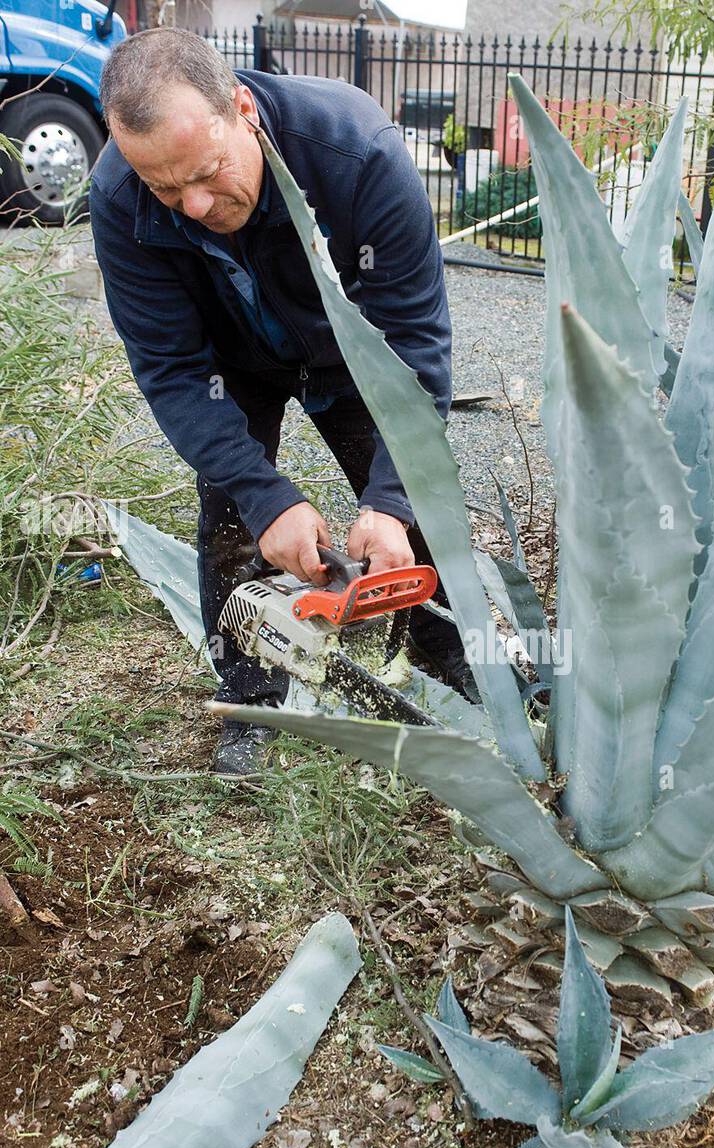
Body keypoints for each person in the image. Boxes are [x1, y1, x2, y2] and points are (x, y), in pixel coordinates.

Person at [90, 27, 473, 773]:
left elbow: (416, 347)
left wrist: (391, 500)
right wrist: (268, 499)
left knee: (414, 503)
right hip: (231, 361)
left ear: (243, 109)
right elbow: (171, 369)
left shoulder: (355, 152)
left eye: (206, 173)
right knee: (233, 511)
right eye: (166, 190)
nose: (194, 205)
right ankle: (250, 699)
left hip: (352, 350)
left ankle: (455, 656)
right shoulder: (118, 196)